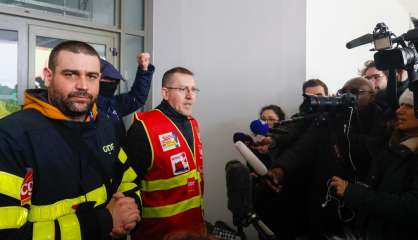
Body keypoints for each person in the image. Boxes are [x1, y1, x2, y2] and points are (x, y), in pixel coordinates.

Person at [0, 40, 141, 239]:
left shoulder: (107, 126)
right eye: (70, 74)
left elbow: (129, 180)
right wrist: (105, 221)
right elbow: (7, 233)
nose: (83, 86)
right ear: (48, 77)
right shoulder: (10, 136)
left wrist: (129, 214)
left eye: (91, 76)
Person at [266, 77, 386, 239]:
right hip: (326, 197)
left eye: (356, 92)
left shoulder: (381, 118)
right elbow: (303, 147)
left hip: (362, 199)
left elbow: (373, 146)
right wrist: (280, 168)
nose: (348, 97)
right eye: (344, 92)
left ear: (372, 96)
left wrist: (343, 137)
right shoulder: (331, 117)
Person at [126, 67, 205, 240]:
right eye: (183, 89)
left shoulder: (193, 124)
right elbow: (125, 185)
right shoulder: (144, 128)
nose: (190, 96)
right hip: (158, 233)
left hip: (194, 229)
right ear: (165, 93)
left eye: (193, 90)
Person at [331, 88, 418, 240]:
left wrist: (352, 192)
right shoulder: (393, 144)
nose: (399, 111)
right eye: (401, 105)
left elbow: (410, 207)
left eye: (409, 106)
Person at [97, 53, 154, 132]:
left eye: (115, 80)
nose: (111, 83)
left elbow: (137, 97)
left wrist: (143, 70)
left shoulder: (114, 103)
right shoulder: (83, 106)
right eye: (106, 78)